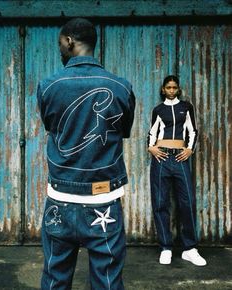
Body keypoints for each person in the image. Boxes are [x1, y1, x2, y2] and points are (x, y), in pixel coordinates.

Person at [37, 18, 135, 289]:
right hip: (104, 199)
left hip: (60, 199)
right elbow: (122, 132)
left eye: (60, 44)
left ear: (69, 41)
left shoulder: (48, 86)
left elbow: (52, 126)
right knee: (107, 280)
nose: (60, 50)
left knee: (55, 277)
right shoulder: (122, 87)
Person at [148, 75, 206, 266]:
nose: (171, 91)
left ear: (178, 89)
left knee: (187, 201)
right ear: (163, 89)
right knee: (160, 202)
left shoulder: (185, 107)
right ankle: (166, 247)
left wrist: (189, 149)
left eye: (174, 88)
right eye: (168, 88)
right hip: (161, 158)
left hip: (180, 158)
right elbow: (152, 132)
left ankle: (190, 248)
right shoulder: (158, 110)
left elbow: (193, 130)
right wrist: (151, 147)